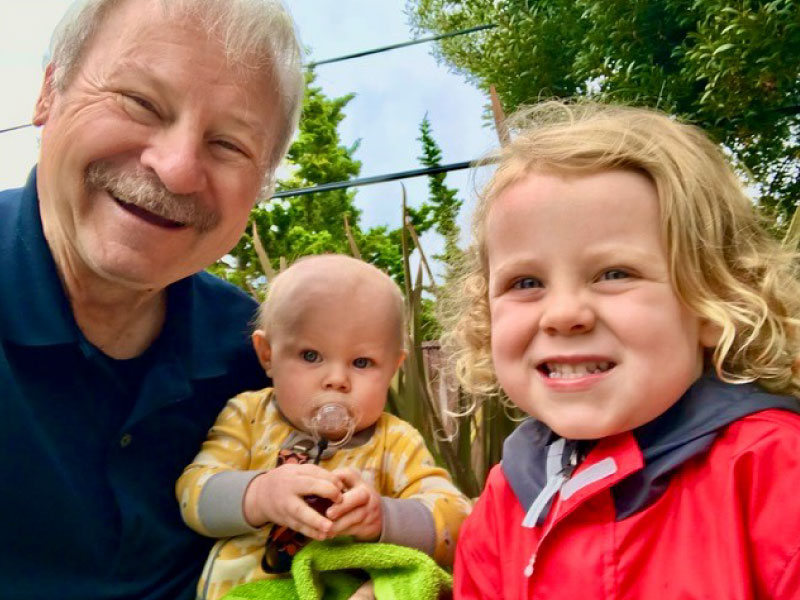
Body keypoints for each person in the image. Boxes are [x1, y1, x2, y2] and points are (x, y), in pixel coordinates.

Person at [0, 1, 304, 598]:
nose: (176, 169)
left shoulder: (264, 358)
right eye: (140, 103)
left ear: (262, 185)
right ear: (48, 93)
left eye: (228, 144)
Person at [443, 100, 800, 599]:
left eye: (615, 274)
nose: (563, 313)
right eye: (526, 282)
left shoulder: (776, 473)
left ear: (714, 300)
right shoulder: (506, 500)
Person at [177, 254, 472, 600]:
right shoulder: (249, 416)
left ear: (392, 369)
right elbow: (192, 494)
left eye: (362, 362)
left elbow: (458, 518)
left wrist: (384, 517)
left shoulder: (395, 441)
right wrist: (260, 493)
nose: (336, 380)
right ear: (268, 355)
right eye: (311, 356)